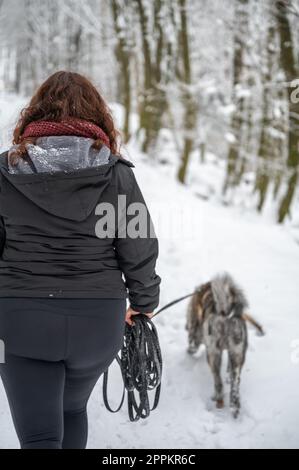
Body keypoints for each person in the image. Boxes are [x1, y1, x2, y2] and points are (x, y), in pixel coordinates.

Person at [0, 71, 160, 449]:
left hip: (18, 321)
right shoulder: (117, 174)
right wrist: (143, 303)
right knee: (73, 411)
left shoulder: (4, 171)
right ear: (98, 117)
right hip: (97, 323)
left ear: (32, 114)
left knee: (39, 435)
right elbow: (137, 243)